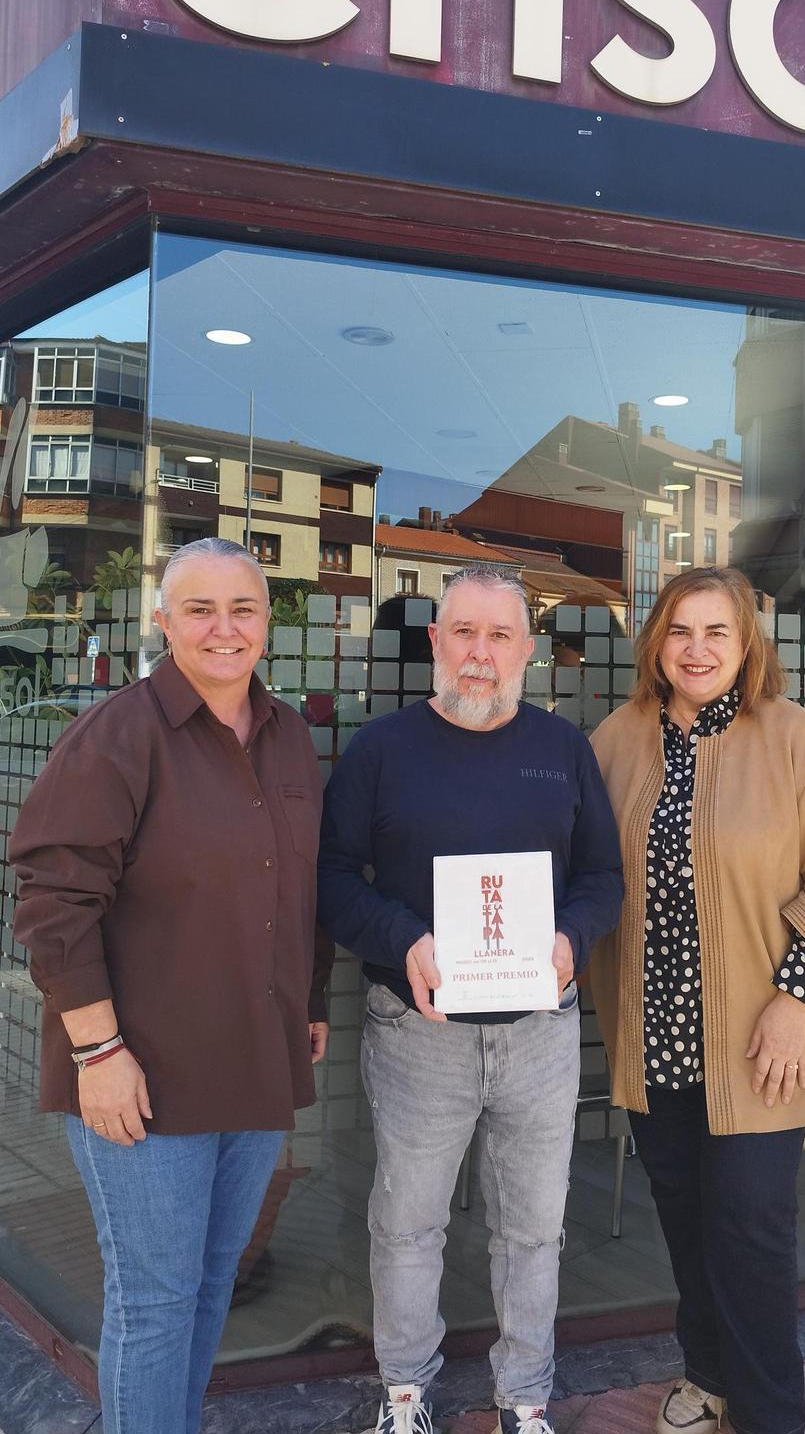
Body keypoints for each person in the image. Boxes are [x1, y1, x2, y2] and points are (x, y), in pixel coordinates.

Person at [10, 537, 332, 1434]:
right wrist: (98, 1051)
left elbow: (299, 884)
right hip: (140, 1072)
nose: (224, 629)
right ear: (162, 621)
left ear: (267, 623)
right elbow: (53, 904)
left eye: (243, 609)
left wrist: (309, 1000)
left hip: (253, 1062)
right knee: (154, 1303)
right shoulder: (118, 735)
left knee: (211, 1284)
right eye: (200, 609)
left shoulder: (289, 736)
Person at [318, 565, 623, 1434]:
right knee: (408, 1224)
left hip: (539, 1031)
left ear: (528, 650)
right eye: (463, 633)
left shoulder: (563, 750)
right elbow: (331, 879)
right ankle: (405, 1395)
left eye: (499, 636)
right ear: (434, 642)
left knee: (533, 1229)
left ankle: (524, 1400)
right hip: (418, 1032)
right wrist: (403, 941)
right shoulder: (381, 750)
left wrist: (571, 939)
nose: (480, 654)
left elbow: (603, 876)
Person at [589, 567, 805, 1434]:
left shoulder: (792, 737)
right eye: (681, 631)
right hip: (656, 1036)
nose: (697, 649)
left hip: (762, 1040)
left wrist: (795, 1000)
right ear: (656, 644)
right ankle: (709, 1376)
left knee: (752, 1227)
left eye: (717, 632)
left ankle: (770, 1413)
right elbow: (577, 866)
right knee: (684, 1218)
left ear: (747, 644)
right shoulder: (615, 741)